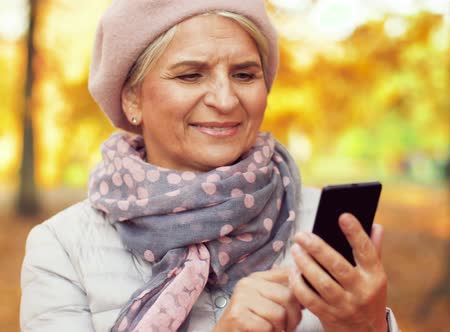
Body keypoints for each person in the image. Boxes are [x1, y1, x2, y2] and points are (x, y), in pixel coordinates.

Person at [20, 1, 400, 331]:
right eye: (190, 75)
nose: (225, 98)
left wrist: (366, 327)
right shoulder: (62, 249)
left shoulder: (321, 226)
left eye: (244, 75)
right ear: (132, 97)